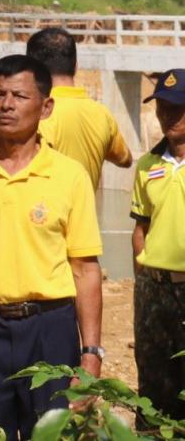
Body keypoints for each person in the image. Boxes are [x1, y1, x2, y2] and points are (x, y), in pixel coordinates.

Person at [0, 54, 103, 440]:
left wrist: (91, 353)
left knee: (52, 432)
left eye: (19, 96)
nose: (6, 105)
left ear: (46, 107)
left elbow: (85, 268)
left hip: (50, 328)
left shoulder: (69, 175)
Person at [130, 69, 185, 422]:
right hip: (154, 291)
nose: (168, 116)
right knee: (153, 380)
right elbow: (141, 226)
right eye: (162, 107)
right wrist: (142, 275)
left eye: (177, 109)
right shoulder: (147, 165)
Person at [28, 26, 132, 188]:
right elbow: (125, 159)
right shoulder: (102, 114)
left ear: (31, 70)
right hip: (86, 212)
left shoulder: (35, 114)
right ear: (76, 66)